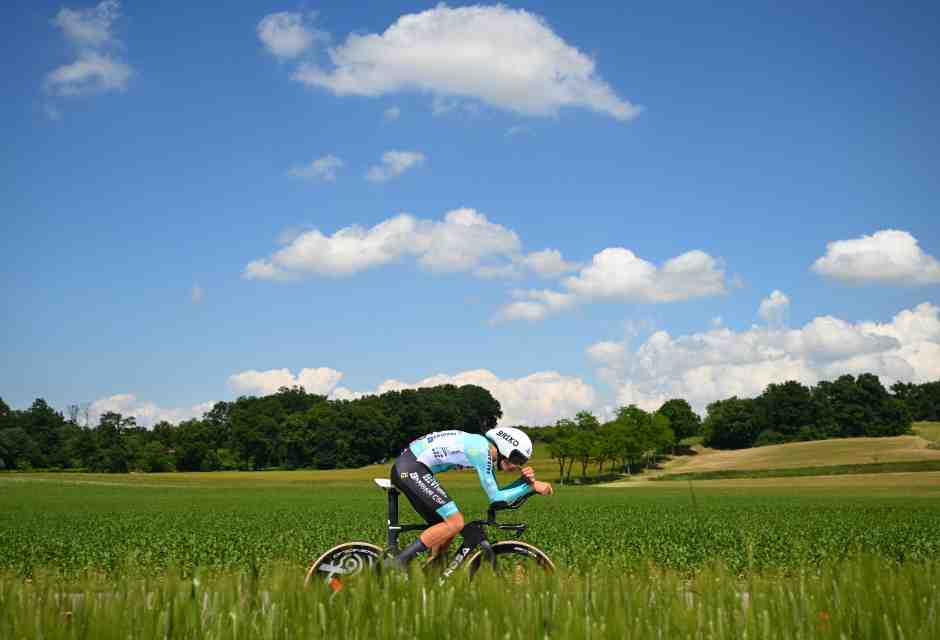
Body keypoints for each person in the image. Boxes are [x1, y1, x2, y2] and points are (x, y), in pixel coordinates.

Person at [389, 427, 553, 567]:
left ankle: (431, 574)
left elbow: (499, 495)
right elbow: (496, 497)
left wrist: (523, 483)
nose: (517, 465)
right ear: (504, 447)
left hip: (411, 467)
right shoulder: (481, 450)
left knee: (446, 528)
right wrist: (530, 486)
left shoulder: (480, 445)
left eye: (522, 461)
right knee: (455, 522)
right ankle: (396, 565)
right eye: (516, 458)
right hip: (410, 468)